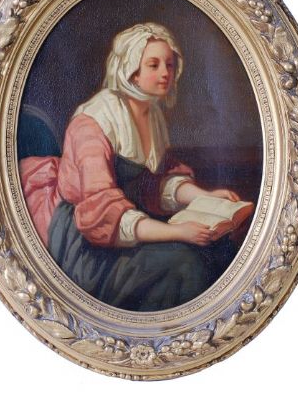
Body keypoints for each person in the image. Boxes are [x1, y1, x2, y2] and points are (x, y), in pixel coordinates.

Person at [20, 22, 241, 311]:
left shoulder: (152, 114)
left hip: (132, 220)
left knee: (217, 248)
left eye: (169, 65)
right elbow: (101, 210)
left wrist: (205, 197)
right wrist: (179, 232)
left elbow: (153, 182)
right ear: (132, 72)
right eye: (154, 65)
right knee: (184, 263)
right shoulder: (93, 121)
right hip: (88, 240)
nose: (165, 73)